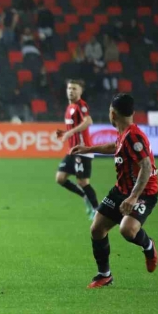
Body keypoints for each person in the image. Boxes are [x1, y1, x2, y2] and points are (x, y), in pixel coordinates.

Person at [71, 93, 158, 288]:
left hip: (143, 192)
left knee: (127, 230)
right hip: (121, 189)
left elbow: (146, 166)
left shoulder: (134, 136)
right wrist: (87, 149)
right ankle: (105, 275)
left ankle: (148, 246)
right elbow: (115, 146)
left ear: (112, 113)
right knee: (97, 229)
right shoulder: (124, 133)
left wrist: (134, 197)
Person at [54, 79, 99, 219]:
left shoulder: (81, 105)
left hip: (82, 150)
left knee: (83, 182)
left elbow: (88, 121)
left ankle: (97, 210)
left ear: (80, 91)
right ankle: (84, 196)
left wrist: (70, 132)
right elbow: (74, 128)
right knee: (60, 178)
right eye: (69, 88)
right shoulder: (69, 107)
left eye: (74, 88)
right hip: (72, 150)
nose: (71, 91)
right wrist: (64, 133)